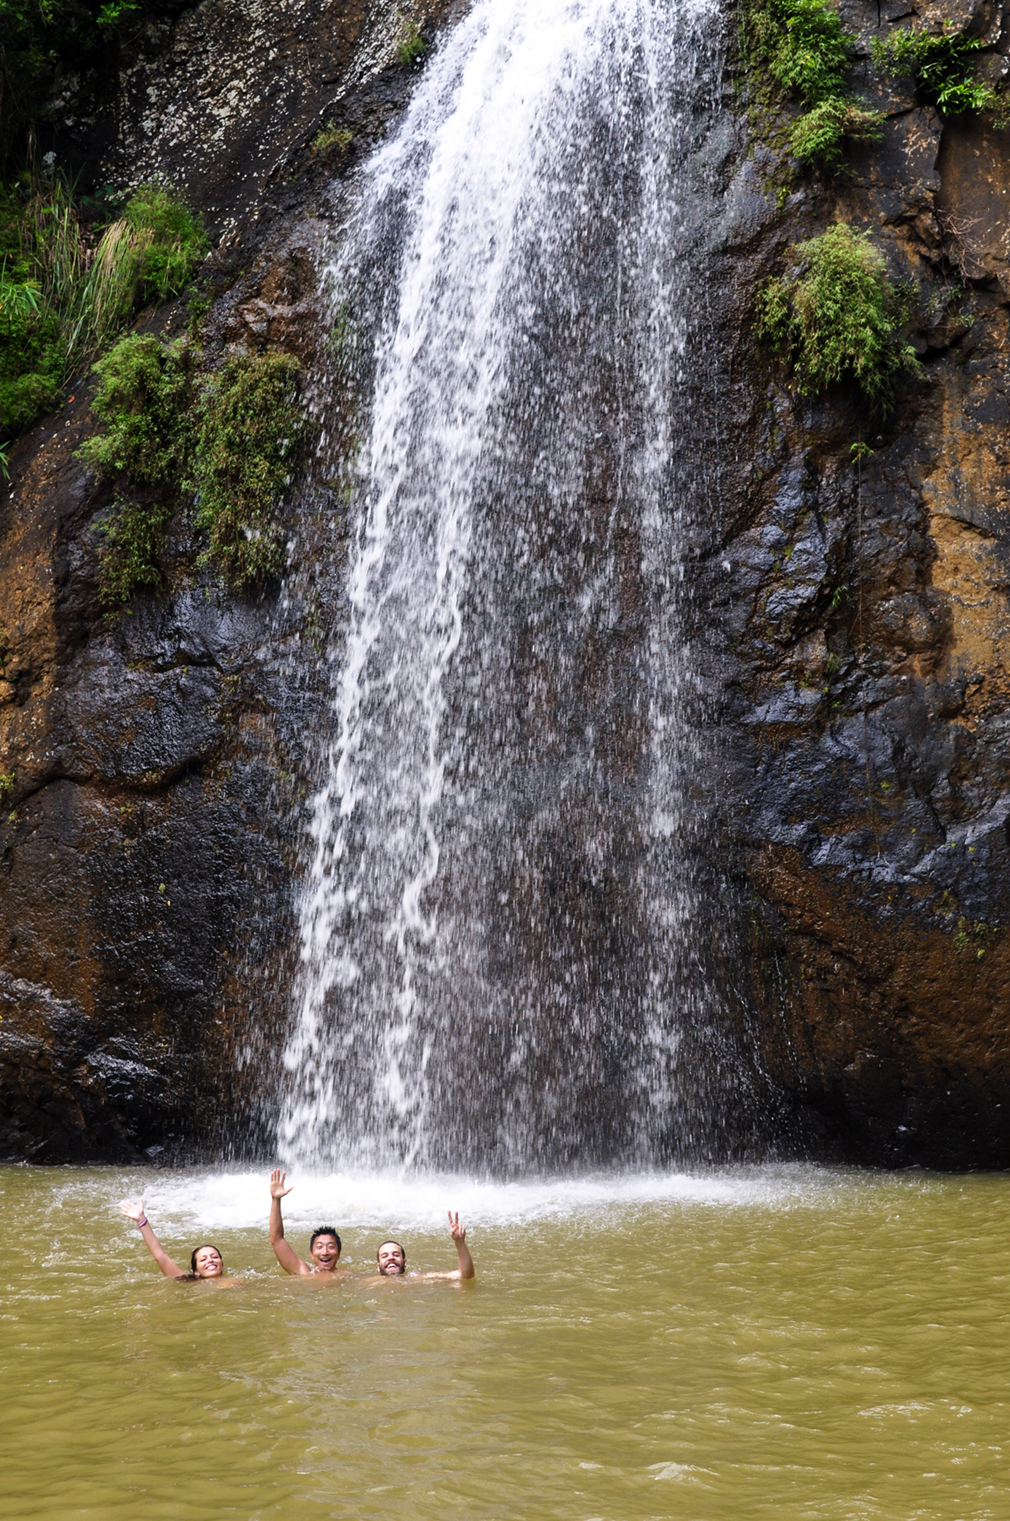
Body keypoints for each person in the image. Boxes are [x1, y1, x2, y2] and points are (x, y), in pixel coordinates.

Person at [119, 1198, 239, 1283]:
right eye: (203, 1259)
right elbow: (161, 1256)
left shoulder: (238, 1283)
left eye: (214, 1257)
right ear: (196, 1271)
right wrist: (141, 1220)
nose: (210, 1260)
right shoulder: (191, 1283)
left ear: (222, 1265)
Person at [268, 1168, 345, 1277]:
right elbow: (276, 1239)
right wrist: (275, 1199)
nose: (325, 1252)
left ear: (339, 1254)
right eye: (319, 1247)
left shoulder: (346, 1277)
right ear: (311, 1254)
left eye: (331, 1247)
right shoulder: (304, 1273)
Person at [370, 1212, 474, 1282]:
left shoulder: (417, 1279)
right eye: (384, 1256)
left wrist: (459, 1242)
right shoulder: (369, 1284)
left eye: (396, 1254)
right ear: (378, 1267)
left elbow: (465, 1275)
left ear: (405, 1262)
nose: (391, 1258)